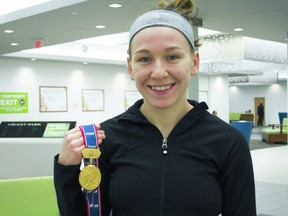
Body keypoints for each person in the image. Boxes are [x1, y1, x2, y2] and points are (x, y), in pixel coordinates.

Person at [53, 0, 256, 215]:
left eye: (172, 57)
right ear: (131, 68)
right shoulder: (107, 138)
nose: (158, 72)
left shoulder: (228, 142)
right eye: (145, 59)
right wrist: (66, 170)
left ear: (194, 62)